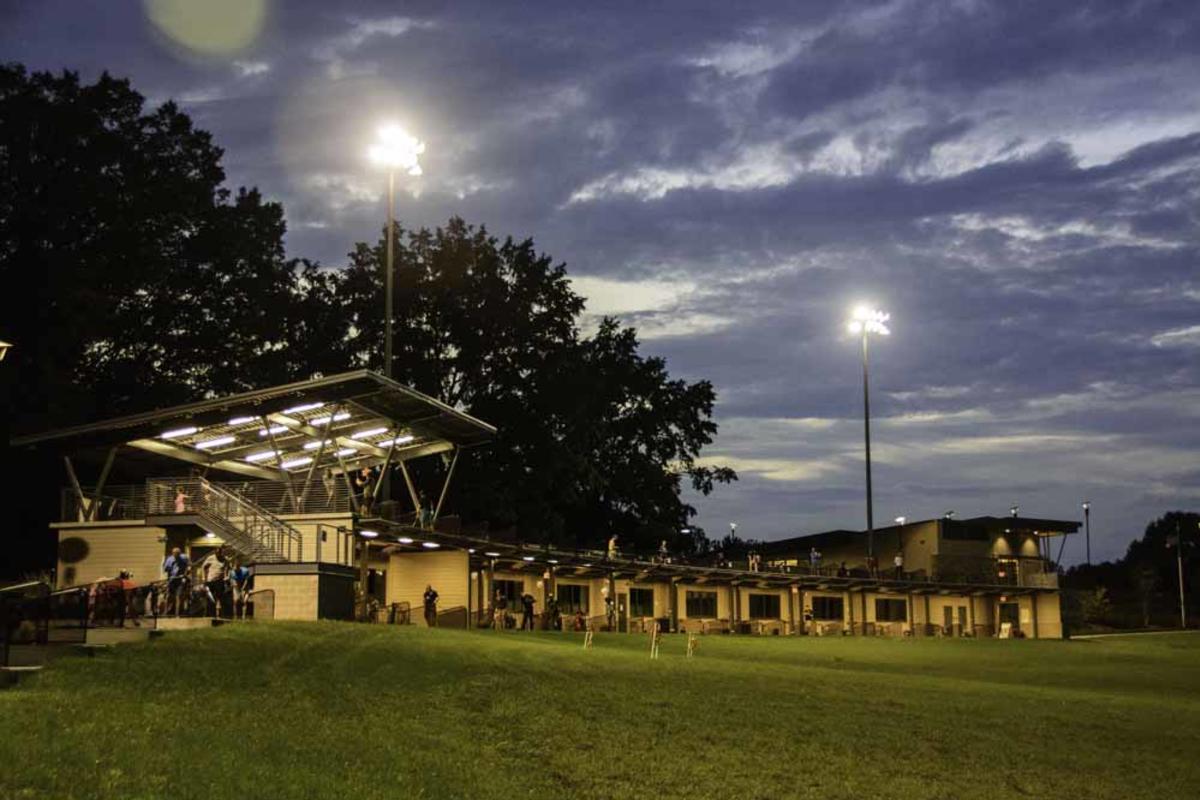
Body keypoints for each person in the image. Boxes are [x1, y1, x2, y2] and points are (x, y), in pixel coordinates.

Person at [162, 547, 190, 616]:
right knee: (170, 596)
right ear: (172, 554)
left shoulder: (184, 558)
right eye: (174, 553)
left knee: (179, 596)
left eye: (177, 554)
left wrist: (186, 574)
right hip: (172, 579)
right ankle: (167, 612)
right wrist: (170, 569)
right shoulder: (169, 559)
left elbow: (189, 566)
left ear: (179, 554)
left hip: (180, 580)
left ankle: (178, 614)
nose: (176, 555)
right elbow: (165, 569)